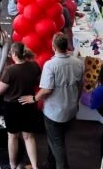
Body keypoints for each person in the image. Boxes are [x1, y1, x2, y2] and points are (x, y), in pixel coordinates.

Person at [21, 33, 84, 169]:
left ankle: (61, 166)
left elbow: (46, 90)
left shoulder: (50, 65)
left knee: (57, 143)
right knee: (55, 139)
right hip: (71, 109)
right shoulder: (78, 63)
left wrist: (33, 98)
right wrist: (76, 102)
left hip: (54, 112)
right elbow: (80, 85)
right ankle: (51, 163)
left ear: (53, 47)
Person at [0, 42, 42, 169]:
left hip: (12, 107)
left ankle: (13, 165)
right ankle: (35, 166)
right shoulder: (34, 66)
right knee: (29, 137)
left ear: (14, 54)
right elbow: (38, 82)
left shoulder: (10, 71)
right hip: (28, 105)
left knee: (12, 136)